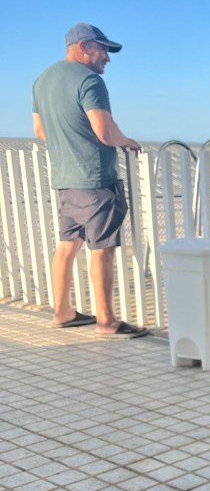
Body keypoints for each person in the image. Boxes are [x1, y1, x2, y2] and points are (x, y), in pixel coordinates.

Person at [32, 23, 147, 337]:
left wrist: (70, 143)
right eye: (104, 49)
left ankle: (62, 312)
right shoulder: (89, 80)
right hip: (95, 179)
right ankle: (106, 321)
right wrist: (128, 141)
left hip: (65, 179)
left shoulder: (42, 81)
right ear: (84, 46)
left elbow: (40, 131)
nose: (107, 57)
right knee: (102, 249)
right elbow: (105, 131)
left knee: (67, 245)